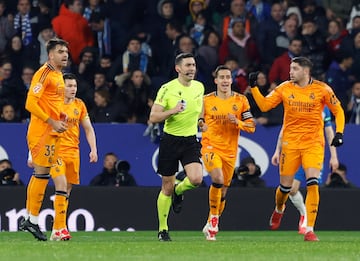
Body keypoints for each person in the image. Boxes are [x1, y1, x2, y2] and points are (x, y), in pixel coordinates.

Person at [249, 56, 345, 241]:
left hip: (313, 143)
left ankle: (309, 229)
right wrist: (254, 87)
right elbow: (264, 105)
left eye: (294, 69)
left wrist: (339, 133)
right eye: (290, 68)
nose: (290, 72)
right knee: (285, 188)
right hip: (290, 144)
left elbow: (338, 111)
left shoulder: (322, 89)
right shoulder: (285, 88)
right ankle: (279, 209)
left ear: (305, 71)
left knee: (313, 183)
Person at [149, 52, 204, 241]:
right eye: (188, 65)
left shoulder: (199, 86)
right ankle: (163, 229)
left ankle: (179, 192)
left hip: (189, 140)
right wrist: (172, 111)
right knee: (166, 187)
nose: (192, 69)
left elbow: (200, 106)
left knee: (196, 179)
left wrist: (201, 120)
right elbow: (153, 117)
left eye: (193, 65)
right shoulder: (167, 89)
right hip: (170, 140)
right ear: (178, 68)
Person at [19, 38, 69, 241]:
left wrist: (60, 117)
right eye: (60, 51)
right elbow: (30, 103)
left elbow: (52, 101)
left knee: (42, 174)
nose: (64, 54)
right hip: (42, 132)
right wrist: (52, 121)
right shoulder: (44, 73)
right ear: (50, 55)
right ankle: (31, 219)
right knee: (41, 174)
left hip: (51, 131)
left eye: (66, 51)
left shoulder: (58, 74)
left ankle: (31, 219)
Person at [200, 65, 255, 241]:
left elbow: (251, 126)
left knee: (223, 192)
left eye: (227, 77)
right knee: (217, 179)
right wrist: (201, 125)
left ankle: (210, 220)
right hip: (210, 146)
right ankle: (214, 222)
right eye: (221, 77)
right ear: (215, 80)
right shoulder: (206, 100)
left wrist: (237, 121)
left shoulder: (241, 101)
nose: (224, 80)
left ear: (231, 80)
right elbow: (199, 119)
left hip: (230, 152)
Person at [271, 106, 339, 234]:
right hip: (294, 150)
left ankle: (307, 223)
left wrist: (334, 156)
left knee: (312, 185)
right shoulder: (296, 102)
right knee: (290, 189)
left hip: (313, 152)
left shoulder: (324, 107)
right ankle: (284, 209)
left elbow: (329, 132)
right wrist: (277, 151)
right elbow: (285, 128)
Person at [48, 73, 98, 241]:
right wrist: (32, 153)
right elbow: (39, 130)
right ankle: (62, 228)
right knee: (61, 186)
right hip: (55, 151)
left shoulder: (80, 105)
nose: (73, 89)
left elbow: (88, 128)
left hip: (73, 153)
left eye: (74, 86)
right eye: (69, 86)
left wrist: (93, 149)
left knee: (66, 192)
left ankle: (57, 229)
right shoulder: (53, 104)